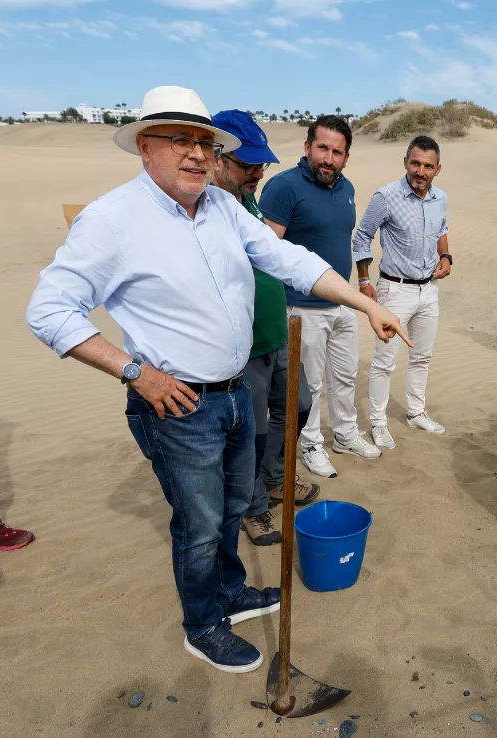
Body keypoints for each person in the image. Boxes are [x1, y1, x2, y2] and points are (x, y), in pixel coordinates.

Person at [25, 86, 410, 673]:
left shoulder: (224, 208)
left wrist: (363, 302)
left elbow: (291, 261)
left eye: (205, 141)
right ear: (145, 146)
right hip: (178, 406)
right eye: (180, 139)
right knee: (200, 525)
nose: (197, 154)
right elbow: (50, 311)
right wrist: (135, 372)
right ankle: (202, 624)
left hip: (234, 393)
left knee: (230, 508)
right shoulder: (112, 219)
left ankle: (229, 593)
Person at [210, 110, 320, 547]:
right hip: (244, 348)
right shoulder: (207, 209)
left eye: (261, 164)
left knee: (299, 407)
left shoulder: (248, 202)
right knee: (249, 436)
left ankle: (276, 479)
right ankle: (252, 507)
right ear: (217, 159)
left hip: (279, 334)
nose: (257, 172)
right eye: (248, 164)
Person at [260, 115, 382, 478]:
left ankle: (345, 435)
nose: (328, 159)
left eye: (337, 152)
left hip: (342, 303)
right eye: (322, 148)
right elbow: (266, 252)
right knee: (308, 385)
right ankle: (310, 444)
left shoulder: (347, 190)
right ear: (307, 147)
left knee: (345, 376)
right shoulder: (283, 187)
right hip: (300, 307)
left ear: (347, 157)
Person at [352, 135, 452, 449]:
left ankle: (416, 412)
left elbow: (442, 229)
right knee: (384, 362)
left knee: (421, 357)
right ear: (406, 162)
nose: (420, 170)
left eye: (427, 165)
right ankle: (379, 425)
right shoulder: (386, 196)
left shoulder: (441, 198)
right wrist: (365, 281)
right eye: (415, 163)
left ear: (438, 169)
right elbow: (362, 237)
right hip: (394, 290)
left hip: (429, 291)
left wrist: (446, 257)